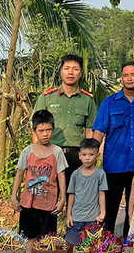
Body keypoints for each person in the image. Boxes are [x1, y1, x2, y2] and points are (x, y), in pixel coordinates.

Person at [92, 61, 134, 237]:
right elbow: (99, 132)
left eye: (133, 75)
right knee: (110, 208)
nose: (129, 78)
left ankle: (130, 244)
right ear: (121, 78)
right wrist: (91, 157)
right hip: (114, 165)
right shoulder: (109, 103)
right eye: (126, 75)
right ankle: (107, 244)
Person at [33, 54, 97, 184]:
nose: (70, 73)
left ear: (81, 73)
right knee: (48, 195)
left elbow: (90, 131)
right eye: (67, 68)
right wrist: (38, 156)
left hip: (77, 156)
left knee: (75, 197)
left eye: (75, 69)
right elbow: (36, 130)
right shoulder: (46, 98)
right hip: (51, 154)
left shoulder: (87, 100)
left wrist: (89, 158)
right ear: (61, 72)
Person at [12, 110, 68, 240]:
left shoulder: (57, 152)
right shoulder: (27, 152)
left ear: (53, 130)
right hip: (29, 204)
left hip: (49, 204)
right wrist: (14, 198)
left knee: (47, 240)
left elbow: (61, 176)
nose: (45, 134)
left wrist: (62, 199)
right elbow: (19, 174)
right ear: (34, 131)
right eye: (41, 131)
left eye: (48, 130)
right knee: (29, 238)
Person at [64, 138, 107, 246]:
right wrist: (69, 214)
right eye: (84, 154)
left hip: (93, 218)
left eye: (91, 154)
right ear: (79, 156)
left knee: (92, 246)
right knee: (70, 244)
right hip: (76, 217)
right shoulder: (75, 174)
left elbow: (101, 194)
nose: (87, 158)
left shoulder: (100, 174)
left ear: (98, 155)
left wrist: (103, 212)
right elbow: (71, 195)